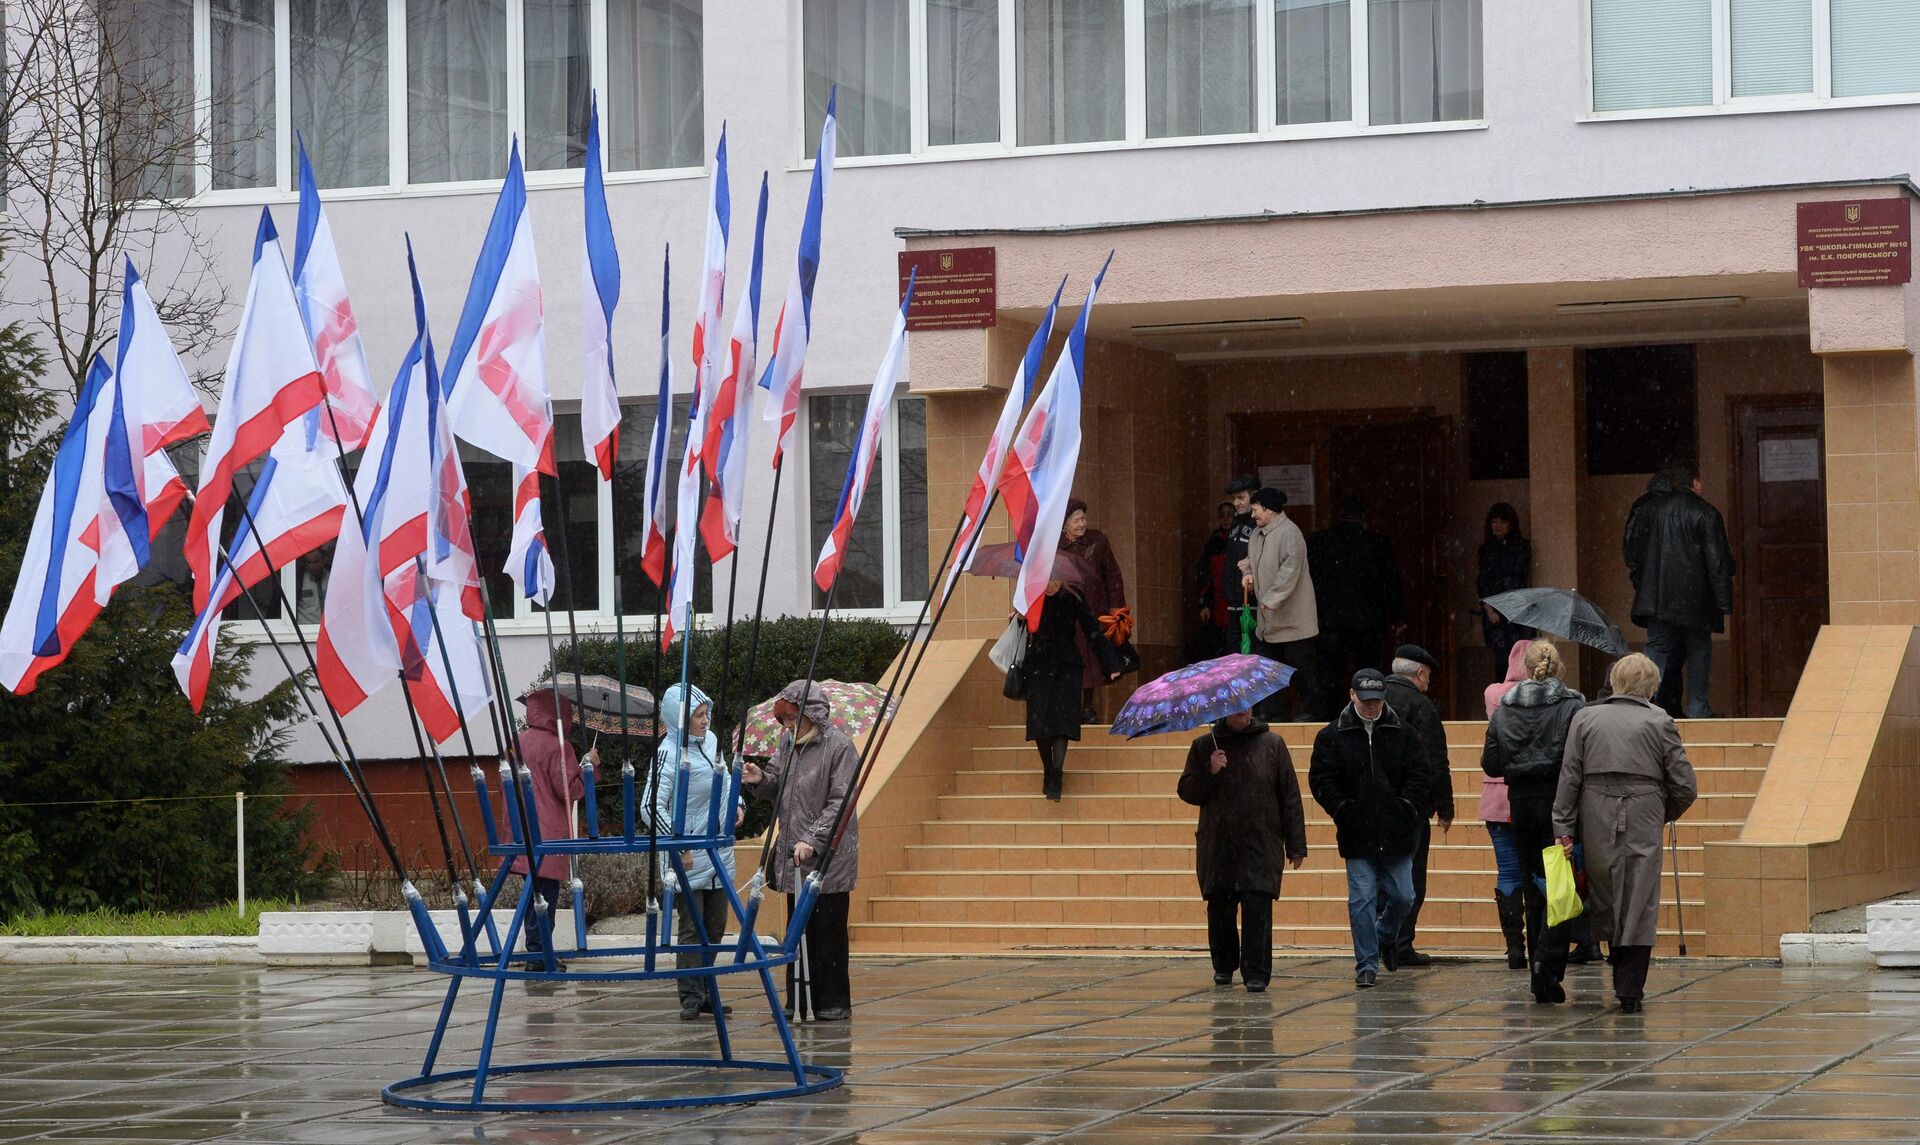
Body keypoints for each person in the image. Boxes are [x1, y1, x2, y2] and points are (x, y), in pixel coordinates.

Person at [1554, 653, 1698, 1013]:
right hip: (1644, 808)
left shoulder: (1584, 717)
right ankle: (1630, 987)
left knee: (1606, 890)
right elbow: (1684, 785)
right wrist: (1661, 812)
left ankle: (1617, 963)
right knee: (1639, 895)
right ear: (1651, 686)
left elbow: (1569, 776)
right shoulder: (1659, 720)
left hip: (1595, 808)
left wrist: (1563, 825)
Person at [740, 680, 862, 1021]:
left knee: (828, 931)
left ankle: (833, 1001)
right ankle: (800, 999)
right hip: (794, 856)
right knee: (799, 934)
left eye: (794, 719)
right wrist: (759, 779)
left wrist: (813, 838)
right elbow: (777, 784)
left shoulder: (840, 747)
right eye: (785, 720)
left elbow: (842, 801)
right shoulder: (787, 743)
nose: (788, 726)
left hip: (827, 858)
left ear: (812, 714)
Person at [1308, 669, 1431, 989]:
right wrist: (1342, 809)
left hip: (1397, 831)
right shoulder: (1332, 736)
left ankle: (1385, 936)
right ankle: (1366, 963)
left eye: (1376, 700)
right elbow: (1321, 779)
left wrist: (1407, 806)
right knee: (1361, 898)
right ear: (1352, 695)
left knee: (1404, 895)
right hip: (1357, 831)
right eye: (1366, 700)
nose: (1371, 705)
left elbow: (1420, 773)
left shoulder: (1402, 732)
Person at [1479, 641, 1586, 1004]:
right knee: (1562, 887)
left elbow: (1491, 763)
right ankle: (1546, 963)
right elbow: (1581, 758)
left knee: (1534, 884)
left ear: (1525, 668)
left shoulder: (1504, 710)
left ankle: (1537, 962)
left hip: (1520, 805)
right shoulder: (1573, 705)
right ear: (1559, 668)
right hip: (1562, 803)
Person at [1177, 706, 1308, 993]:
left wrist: (1296, 844)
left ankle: (1257, 971)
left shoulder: (1272, 744)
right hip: (1219, 842)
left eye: (1246, 706)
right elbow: (1187, 791)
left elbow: (1289, 795)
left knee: (1258, 906)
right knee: (1220, 908)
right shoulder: (1204, 746)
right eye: (1236, 708)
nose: (1243, 712)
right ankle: (1224, 966)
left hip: (1260, 840)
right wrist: (1210, 771)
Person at [650, 683, 740, 1021]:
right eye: (698, 716)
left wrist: (737, 803)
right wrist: (680, 844)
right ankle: (689, 995)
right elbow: (651, 805)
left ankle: (705, 990)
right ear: (680, 720)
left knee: (715, 926)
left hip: (716, 852)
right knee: (692, 927)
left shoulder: (712, 742)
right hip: (687, 854)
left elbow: (725, 780)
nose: (705, 721)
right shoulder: (667, 754)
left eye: (706, 714)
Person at [1624, 459, 1734, 719]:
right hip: (1696, 599)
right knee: (1698, 650)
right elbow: (1717, 562)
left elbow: (1633, 552)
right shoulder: (1706, 513)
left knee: (1657, 648)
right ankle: (1698, 709)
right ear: (1695, 483)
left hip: (1657, 597)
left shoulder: (1648, 510)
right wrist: (1722, 601)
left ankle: (1643, 705)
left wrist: (1642, 585)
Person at [1020, 567, 1124, 801]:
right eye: (1047, 576)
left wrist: (1111, 663)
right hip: (1039, 666)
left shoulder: (1072, 597)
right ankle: (1048, 768)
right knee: (1039, 726)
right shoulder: (1030, 597)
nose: (1052, 582)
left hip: (1067, 666)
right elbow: (1022, 631)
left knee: (1062, 723)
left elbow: (1092, 630)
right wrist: (1018, 617)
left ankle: (1056, 773)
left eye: (1055, 577)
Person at [1382, 644, 1452, 966]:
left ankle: (1379, 941)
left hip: (1374, 808)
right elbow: (1436, 760)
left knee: (1379, 877)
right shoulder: (1421, 705)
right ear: (1420, 674)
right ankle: (1401, 943)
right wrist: (1445, 806)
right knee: (1411, 878)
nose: (1429, 683)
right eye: (1428, 677)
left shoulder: (1371, 700)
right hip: (1411, 808)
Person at [509, 686, 589, 960]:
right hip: (549, 834)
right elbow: (569, 791)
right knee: (546, 898)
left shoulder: (516, 742)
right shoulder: (559, 746)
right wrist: (589, 769)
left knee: (532, 896)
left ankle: (536, 951)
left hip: (521, 832)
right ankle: (540, 953)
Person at [1309, 497, 1406, 719]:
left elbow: (1309, 580)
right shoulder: (1377, 542)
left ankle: (1332, 718)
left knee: (1331, 674)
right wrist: (1398, 617)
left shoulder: (1320, 542)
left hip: (1330, 620)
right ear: (1363, 517)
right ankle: (1368, 713)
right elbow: (1392, 581)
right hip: (1368, 620)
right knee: (1368, 671)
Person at [1238, 487, 1318, 721]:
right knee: (1267, 672)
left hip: (1294, 621)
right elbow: (1249, 560)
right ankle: (1269, 714)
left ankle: (1309, 712)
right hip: (1267, 622)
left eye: (1255, 510)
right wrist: (1249, 573)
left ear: (1269, 508)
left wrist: (1271, 599)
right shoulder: (1256, 534)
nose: (1253, 516)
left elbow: (1290, 571)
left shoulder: (1290, 533)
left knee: (1301, 671)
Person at [1482, 639, 1533, 970]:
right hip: (1531, 793)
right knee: (1538, 868)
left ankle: (1515, 945)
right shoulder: (1543, 697)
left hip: (1497, 796)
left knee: (1509, 871)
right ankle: (1543, 939)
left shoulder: (1492, 694)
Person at [1060, 498, 1128, 721]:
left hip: (1093, 612)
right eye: (1076, 520)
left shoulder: (1097, 541)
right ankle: (1071, 707)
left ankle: (1087, 708)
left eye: (1083, 518)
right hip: (1066, 617)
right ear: (1064, 524)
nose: (1082, 523)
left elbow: (1112, 576)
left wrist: (1117, 609)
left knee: (1091, 662)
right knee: (1070, 661)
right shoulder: (1055, 546)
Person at [1474, 503, 1533, 682]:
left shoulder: (1522, 548)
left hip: (1516, 613)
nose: (1497, 526)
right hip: (1493, 616)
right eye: (1494, 521)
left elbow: (1516, 580)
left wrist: (1498, 607)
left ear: (1511, 524)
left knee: (1519, 660)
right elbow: (1482, 581)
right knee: (1500, 662)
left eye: (1502, 522)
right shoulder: (1485, 550)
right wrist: (1488, 607)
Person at [1190, 499, 1237, 662]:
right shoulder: (1213, 544)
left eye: (1230, 515)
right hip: (1217, 605)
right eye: (1222, 516)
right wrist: (1203, 603)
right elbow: (1204, 575)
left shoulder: (1242, 541)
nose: (1226, 519)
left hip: (1237, 603)